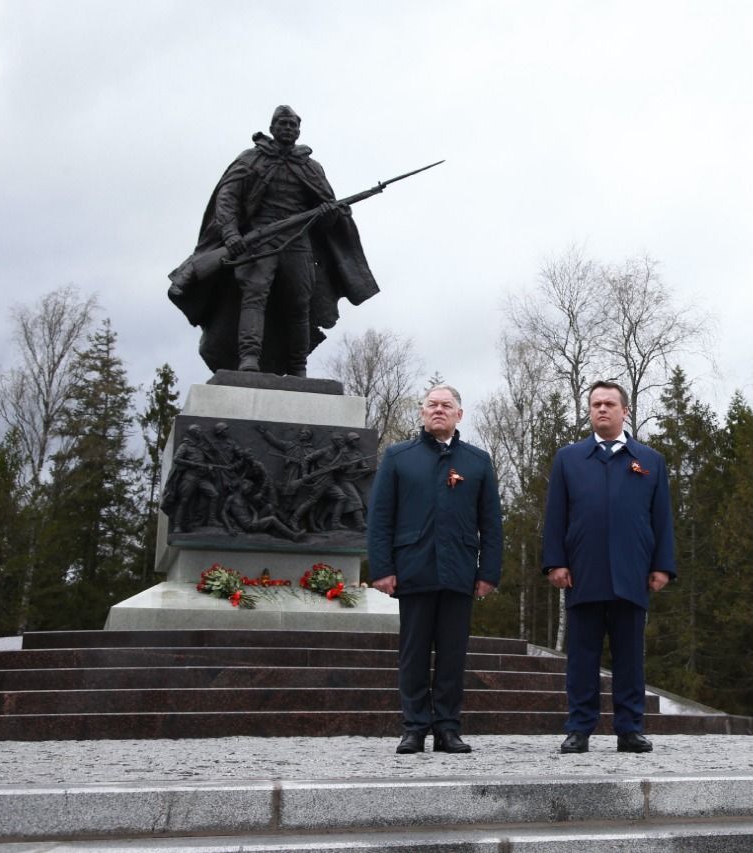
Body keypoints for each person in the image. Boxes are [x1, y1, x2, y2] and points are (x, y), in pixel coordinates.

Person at [168, 105, 378, 376]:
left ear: (299, 130)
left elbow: (327, 215)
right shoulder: (251, 159)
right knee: (254, 298)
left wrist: (328, 213)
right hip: (259, 240)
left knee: (300, 304)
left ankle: (297, 367)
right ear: (272, 128)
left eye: (293, 125)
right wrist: (231, 234)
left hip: (297, 243)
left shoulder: (310, 167)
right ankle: (249, 359)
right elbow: (227, 199)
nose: (288, 128)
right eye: (283, 123)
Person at [542, 380, 675, 754]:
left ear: (625, 411)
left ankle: (629, 728)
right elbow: (556, 516)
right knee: (582, 658)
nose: (602, 409)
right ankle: (579, 727)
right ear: (589, 411)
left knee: (630, 657)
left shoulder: (649, 461)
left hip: (632, 574)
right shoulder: (569, 458)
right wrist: (555, 561)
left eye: (609, 404)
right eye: (596, 404)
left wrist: (661, 566)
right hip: (583, 573)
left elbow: (661, 517)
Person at [367, 384, 502, 754]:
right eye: (431, 405)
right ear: (422, 413)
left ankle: (447, 727)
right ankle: (414, 727)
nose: (438, 410)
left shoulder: (477, 461)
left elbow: (490, 522)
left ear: (460, 414)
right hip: (413, 569)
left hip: (459, 571)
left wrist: (488, 572)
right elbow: (380, 518)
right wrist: (382, 568)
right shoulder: (398, 457)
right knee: (413, 653)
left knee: (453, 654)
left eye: (446, 405)